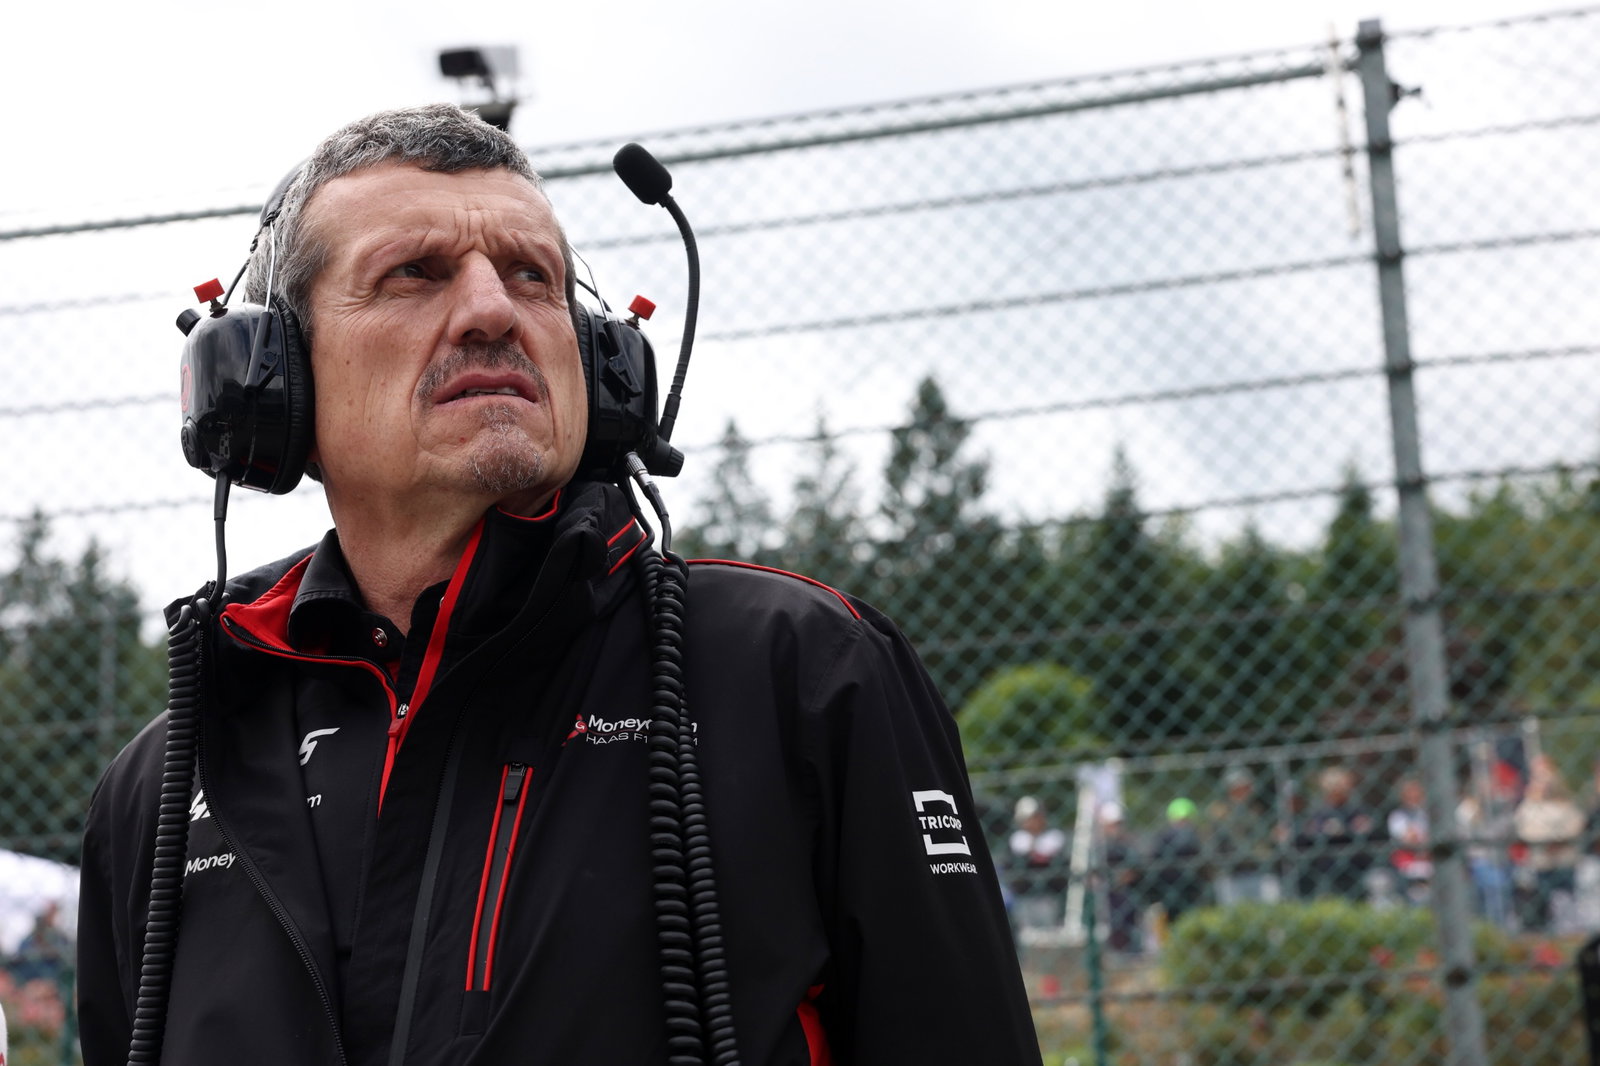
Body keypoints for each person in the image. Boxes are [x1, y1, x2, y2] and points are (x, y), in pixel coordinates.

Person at [76, 105, 1040, 1065]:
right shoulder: (158, 789)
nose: (495, 310)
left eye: (533, 277)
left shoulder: (803, 670)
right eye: (415, 274)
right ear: (269, 382)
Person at [1513, 754, 1584, 932]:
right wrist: (1531, 798)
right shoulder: (1529, 806)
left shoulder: (1565, 804)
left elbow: (1574, 825)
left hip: (1563, 863)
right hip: (1541, 865)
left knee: (1566, 905)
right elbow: (1524, 828)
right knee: (1540, 905)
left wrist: (1556, 839)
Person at [1293, 764, 1382, 902]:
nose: (1341, 790)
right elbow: (1304, 838)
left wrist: (1349, 829)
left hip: (1355, 868)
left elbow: (1371, 834)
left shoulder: (1357, 810)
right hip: (1324, 869)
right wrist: (1321, 831)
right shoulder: (1318, 813)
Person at [1207, 765, 1278, 906]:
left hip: (1258, 870)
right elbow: (1215, 842)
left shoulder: (1257, 808)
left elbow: (1264, 840)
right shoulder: (1219, 810)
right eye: (1238, 787)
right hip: (1231, 873)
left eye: (1246, 786)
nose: (1243, 790)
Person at [1007, 795, 1070, 934]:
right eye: (1028, 818)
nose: (1032, 821)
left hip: (1050, 896)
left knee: (1050, 933)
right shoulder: (1017, 839)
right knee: (1028, 935)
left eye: (1035, 817)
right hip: (1025, 897)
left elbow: (1053, 860)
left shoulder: (1054, 836)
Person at [1149, 797, 1207, 929]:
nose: (1183, 824)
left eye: (1186, 820)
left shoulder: (1198, 837)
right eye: (1180, 820)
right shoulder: (1163, 839)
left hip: (1192, 890)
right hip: (1170, 889)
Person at [1386, 777, 1432, 904]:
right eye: (1410, 793)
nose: (1414, 796)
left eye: (1417, 792)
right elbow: (1408, 840)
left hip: (1428, 860)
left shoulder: (1426, 814)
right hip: (1408, 863)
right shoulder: (1397, 816)